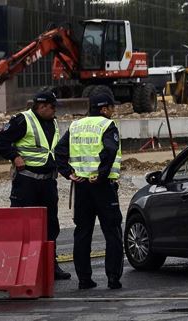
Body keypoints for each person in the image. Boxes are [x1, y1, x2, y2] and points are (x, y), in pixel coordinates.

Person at [0, 91, 71, 280]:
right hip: (27, 182)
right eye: (53, 107)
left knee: (50, 225)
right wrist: (15, 156)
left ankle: (50, 265)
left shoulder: (52, 122)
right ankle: (17, 267)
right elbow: (0, 141)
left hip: (47, 183)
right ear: (42, 106)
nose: (55, 112)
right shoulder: (23, 120)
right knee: (22, 224)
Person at [54, 93, 123, 290]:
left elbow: (59, 151)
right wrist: (101, 174)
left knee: (83, 233)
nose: (113, 111)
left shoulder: (75, 126)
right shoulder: (107, 125)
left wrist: (68, 173)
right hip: (102, 187)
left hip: (82, 187)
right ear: (104, 109)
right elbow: (109, 151)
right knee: (112, 232)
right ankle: (113, 278)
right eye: (111, 107)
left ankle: (84, 279)